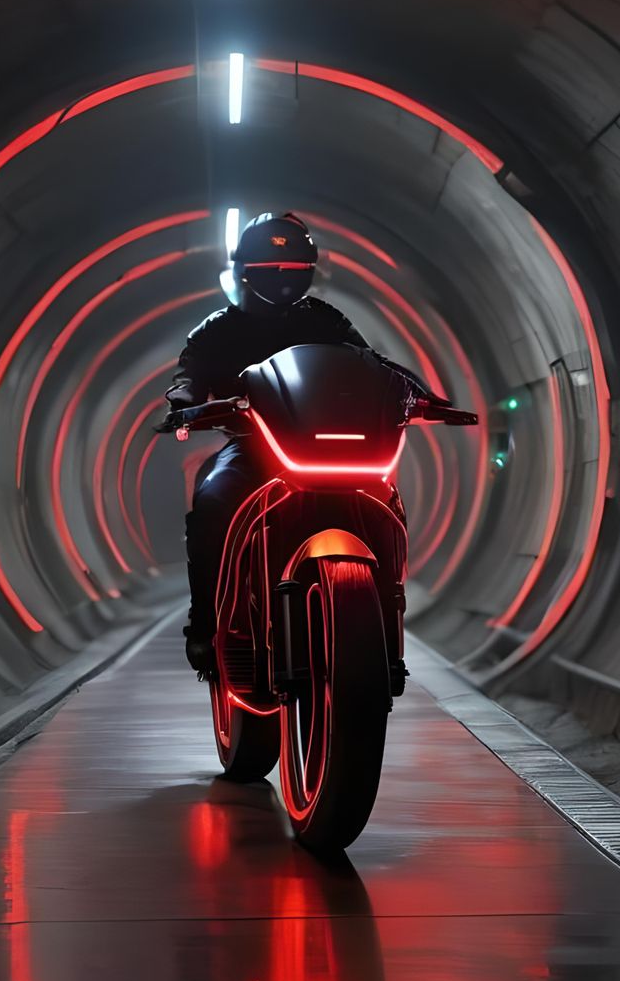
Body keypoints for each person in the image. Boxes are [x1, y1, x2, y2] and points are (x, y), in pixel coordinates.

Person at [165, 212, 435, 673]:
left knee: (385, 502)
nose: (283, 278)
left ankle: (387, 634)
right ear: (246, 272)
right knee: (213, 500)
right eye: (272, 269)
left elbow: (371, 362)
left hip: (323, 446)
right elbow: (190, 372)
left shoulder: (327, 321)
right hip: (252, 447)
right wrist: (185, 399)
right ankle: (207, 628)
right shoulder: (218, 328)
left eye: (293, 269)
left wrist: (418, 394)